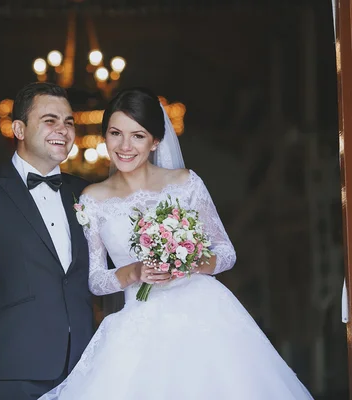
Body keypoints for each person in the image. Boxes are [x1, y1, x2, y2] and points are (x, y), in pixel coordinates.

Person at [40, 88, 313, 399]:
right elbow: (97, 280)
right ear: (105, 136)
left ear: (155, 141)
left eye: (138, 136)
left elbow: (225, 253)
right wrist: (135, 271)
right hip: (139, 323)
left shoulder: (185, 183)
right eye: (116, 133)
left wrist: (188, 262)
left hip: (206, 317)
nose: (125, 146)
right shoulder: (93, 200)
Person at [0, 82, 94, 400]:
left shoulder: (87, 192)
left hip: (87, 363)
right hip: (15, 366)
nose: (63, 130)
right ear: (19, 129)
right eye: (50, 120)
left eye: (68, 122)